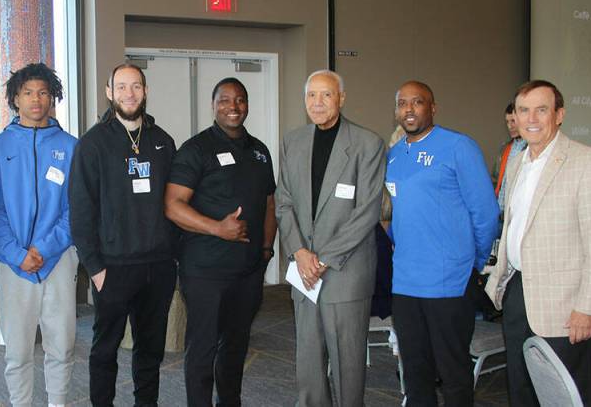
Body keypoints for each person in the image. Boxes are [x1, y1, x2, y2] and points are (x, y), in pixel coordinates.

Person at [485, 80, 591, 406]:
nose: (531, 118)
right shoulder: (518, 162)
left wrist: (587, 308)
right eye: (523, 110)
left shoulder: (588, 161)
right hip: (519, 294)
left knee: (562, 397)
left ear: (559, 115)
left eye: (541, 110)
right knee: (522, 392)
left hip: (567, 308)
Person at [384, 81, 499, 406]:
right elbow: (403, 212)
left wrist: (472, 261)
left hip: (448, 282)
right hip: (406, 283)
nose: (409, 109)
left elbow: (486, 213)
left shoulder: (458, 146)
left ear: (432, 108)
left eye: (417, 102)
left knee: (453, 373)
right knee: (416, 373)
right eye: (402, 103)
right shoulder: (394, 155)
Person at [69, 63, 177, 407]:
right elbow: (81, 211)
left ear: (145, 91)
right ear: (109, 91)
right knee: (104, 350)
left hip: (158, 266)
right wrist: (95, 269)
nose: (129, 93)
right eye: (122, 87)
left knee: (150, 351)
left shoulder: (163, 142)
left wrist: (173, 256)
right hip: (112, 268)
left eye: (136, 86)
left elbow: (174, 204)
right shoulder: (92, 144)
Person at [164, 77, 277, 406]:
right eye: (225, 100)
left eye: (239, 99)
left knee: (236, 348)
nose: (233, 106)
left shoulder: (259, 151)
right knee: (202, 348)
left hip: (248, 271)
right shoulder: (196, 149)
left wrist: (266, 251)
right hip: (205, 272)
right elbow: (172, 206)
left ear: (247, 105)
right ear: (213, 106)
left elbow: (269, 204)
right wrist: (218, 228)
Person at [275, 70, 385, 407]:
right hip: (304, 270)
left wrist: (320, 259)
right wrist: (300, 252)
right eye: (312, 95)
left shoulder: (368, 144)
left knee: (348, 365)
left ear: (341, 98)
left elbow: (366, 213)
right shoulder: (292, 142)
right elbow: (284, 202)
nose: (318, 103)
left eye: (326, 95)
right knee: (308, 362)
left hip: (345, 271)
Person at [0, 63, 78, 407]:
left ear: (52, 97)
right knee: (18, 350)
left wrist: (45, 247)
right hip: (13, 265)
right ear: (15, 99)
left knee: (61, 345)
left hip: (58, 260)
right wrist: (16, 253)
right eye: (27, 93)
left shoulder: (72, 147)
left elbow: (77, 208)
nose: (36, 100)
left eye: (43, 92)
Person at [492, 101, 527, 209]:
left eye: (513, 121)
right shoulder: (505, 148)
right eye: (507, 122)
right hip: (501, 209)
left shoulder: (531, 149)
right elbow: (496, 177)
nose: (510, 126)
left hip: (518, 209)